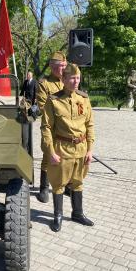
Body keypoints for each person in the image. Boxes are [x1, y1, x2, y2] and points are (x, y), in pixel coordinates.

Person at [41, 63, 95, 232]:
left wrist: (90, 149)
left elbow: (90, 125)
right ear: (63, 79)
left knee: (78, 182)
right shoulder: (53, 100)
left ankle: (77, 213)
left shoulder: (84, 99)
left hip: (81, 148)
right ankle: (57, 215)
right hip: (61, 149)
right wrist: (50, 152)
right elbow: (46, 128)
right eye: (72, 78)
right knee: (58, 184)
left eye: (78, 78)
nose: (76, 81)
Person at [36, 51, 67, 203]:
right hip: (52, 126)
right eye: (61, 66)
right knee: (48, 155)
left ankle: (65, 184)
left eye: (64, 66)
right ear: (53, 67)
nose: (63, 69)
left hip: (68, 127)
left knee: (67, 155)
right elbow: (42, 106)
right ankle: (43, 187)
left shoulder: (67, 81)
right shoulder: (44, 83)